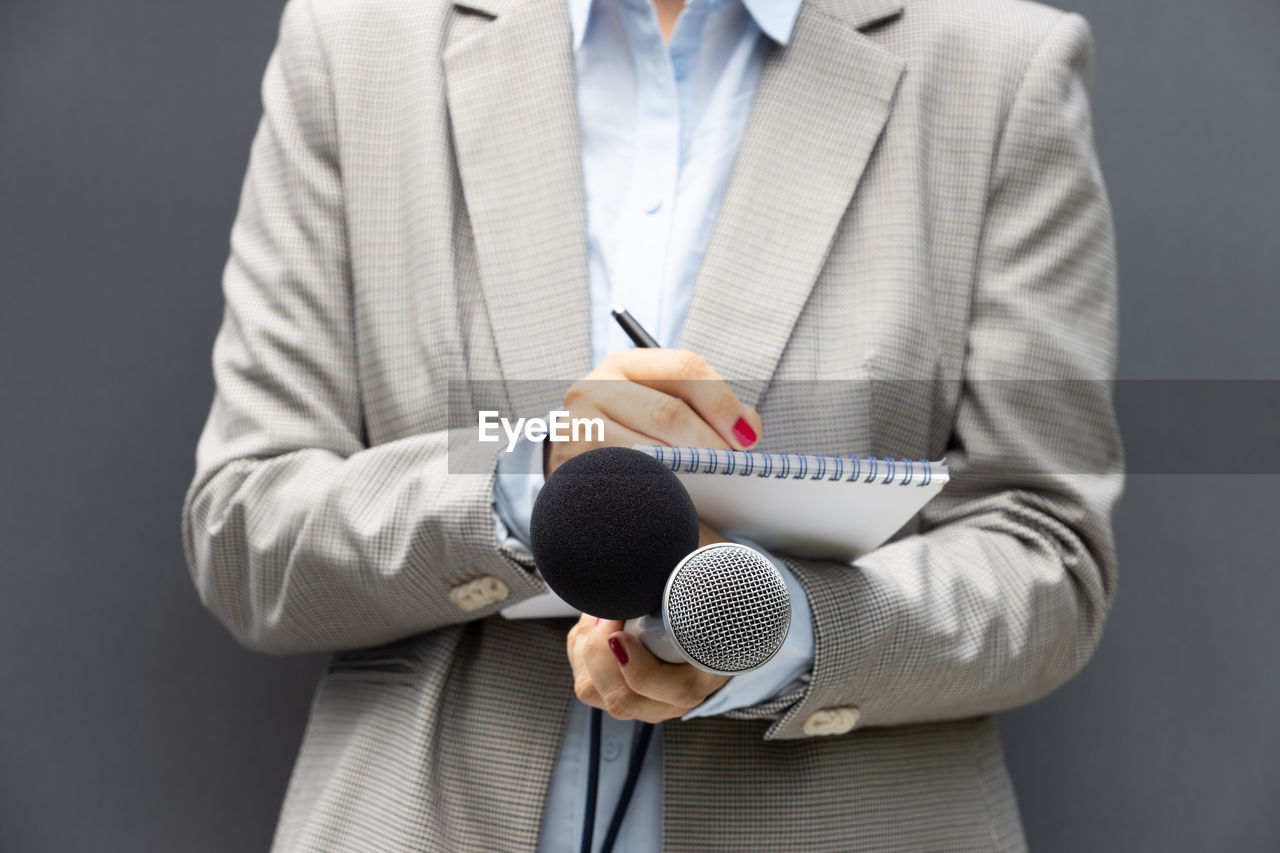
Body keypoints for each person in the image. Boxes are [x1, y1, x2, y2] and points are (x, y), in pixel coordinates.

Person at [181, 0, 1123, 848]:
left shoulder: (1001, 66)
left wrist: (765, 628)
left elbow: (1046, 554)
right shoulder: (355, 44)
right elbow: (247, 531)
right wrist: (534, 481)